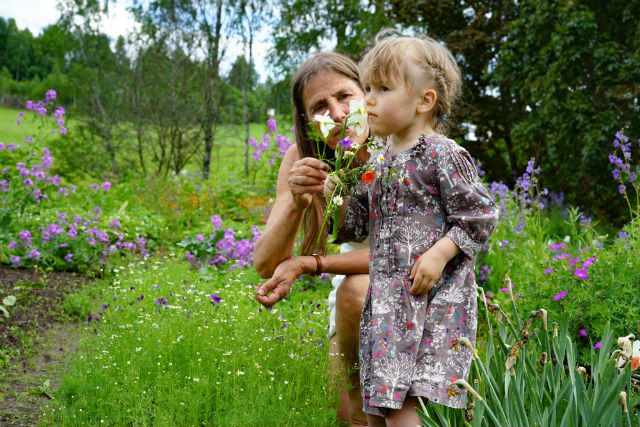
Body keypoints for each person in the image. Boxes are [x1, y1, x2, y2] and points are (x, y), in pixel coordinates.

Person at [333, 34, 499, 426]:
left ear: (425, 101)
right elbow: (356, 225)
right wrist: (336, 191)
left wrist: (441, 252)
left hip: (431, 305)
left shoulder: (441, 153)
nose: (368, 99)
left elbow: (480, 216)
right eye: (367, 87)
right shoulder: (377, 158)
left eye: (383, 88)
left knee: (404, 409)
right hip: (387, 306)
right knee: (381, 409)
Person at [253, 52, 373, 427]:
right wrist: (298, 204)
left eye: (344, 96)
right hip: (355, 306)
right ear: (307, 123)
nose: (337, 114)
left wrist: (312, 262)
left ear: (367, 94)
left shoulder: (399, 142)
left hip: (413, 282)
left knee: (356, 290)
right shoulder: (303, 159)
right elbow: (266, 266)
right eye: (319, 107)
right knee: (348, 419)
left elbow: (402, 254)